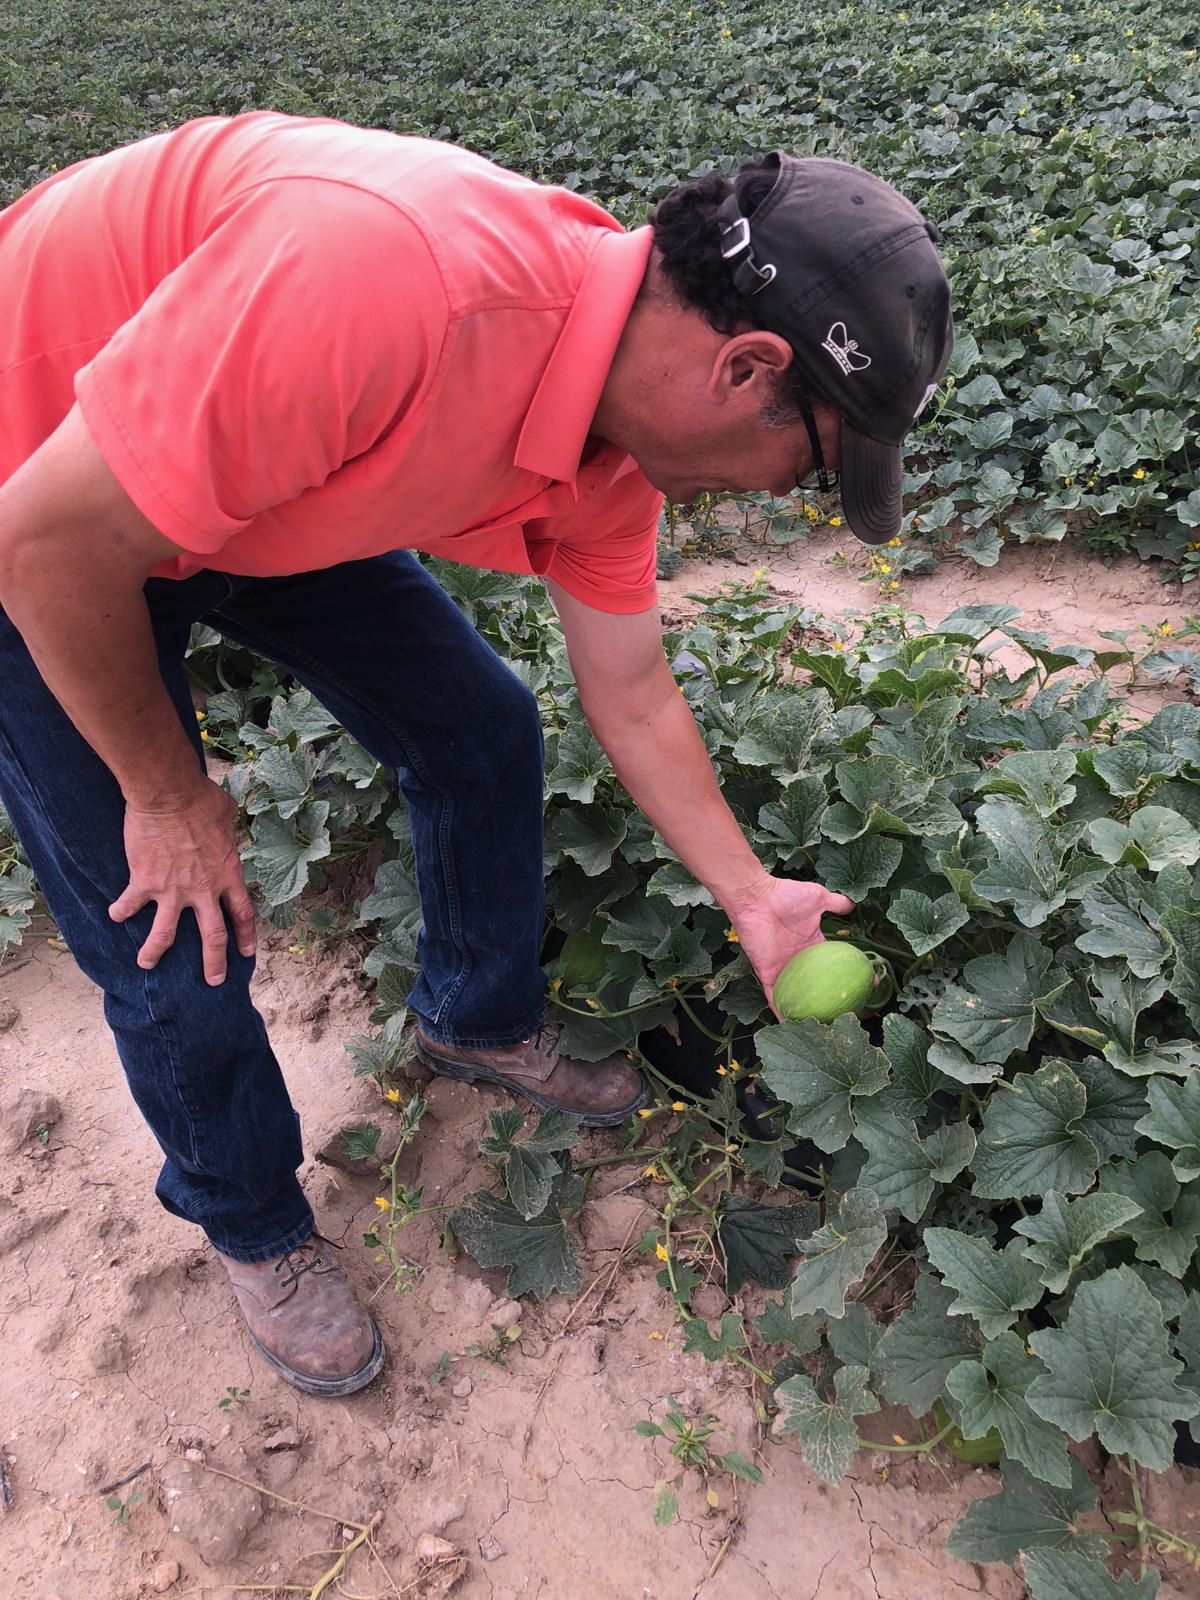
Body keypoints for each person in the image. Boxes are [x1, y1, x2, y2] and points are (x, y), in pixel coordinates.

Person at [0, 111, 953, 1397]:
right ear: (745, 368)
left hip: (244, 483)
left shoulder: (615, 452)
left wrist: (749, 895)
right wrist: (167, 792)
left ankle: (473, 1017)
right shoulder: (392, 288)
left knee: (484, 730)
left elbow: (630, 689)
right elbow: (50, 541)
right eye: (810, 463)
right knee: (168, 914)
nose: (787, 495)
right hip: (40, 496)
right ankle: (252, 1222)